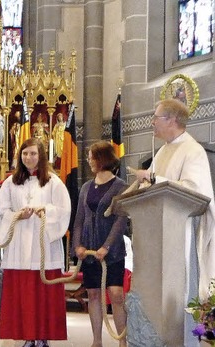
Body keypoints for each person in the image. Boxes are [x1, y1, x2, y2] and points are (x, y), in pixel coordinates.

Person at [134, 98, 215, 302]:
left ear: (171, 120)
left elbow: (195, 191)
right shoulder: (162, 151)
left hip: (182, 230)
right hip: (157, 232)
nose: (152, 122)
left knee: (179, 290)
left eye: (156, 117)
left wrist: (153, 179)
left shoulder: (193, 150)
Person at [0, 138, 71, 347]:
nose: (28, 157)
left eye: (33, 154)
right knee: (24, 294)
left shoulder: (53, 182)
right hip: (19, 244)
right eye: (25, 153)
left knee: (42, 293)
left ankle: (43, 336)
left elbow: (64, 210)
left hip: (43, 243)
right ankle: (28, 336)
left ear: (41, 156)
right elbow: (1, 210)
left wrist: (46, 210)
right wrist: (17, 215)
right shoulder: (11, 182)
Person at [72, 141, 128, 347]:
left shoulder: (121, 186)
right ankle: (97, 341)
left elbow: (121, 220)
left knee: (116, 294)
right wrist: (77, 245)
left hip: (111, 252)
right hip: (89, 251)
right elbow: (78, 220)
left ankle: (122, 341)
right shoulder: (86, 187)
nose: (88, 160)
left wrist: (107, 247)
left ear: (102, 158)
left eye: (91, 156)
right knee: (93, 293)